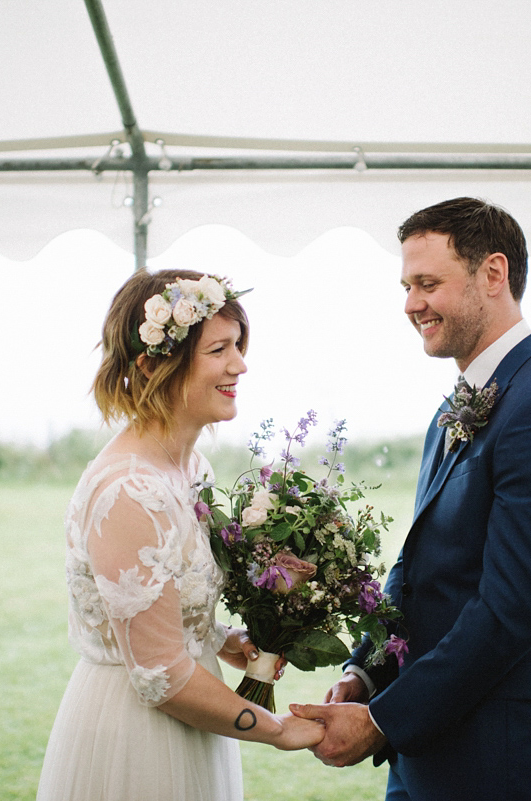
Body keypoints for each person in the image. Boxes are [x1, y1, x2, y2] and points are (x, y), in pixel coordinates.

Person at [291, 197, 531, 800]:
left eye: (428, 283)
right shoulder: (458, 404)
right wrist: (367, 669)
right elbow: (418, 569)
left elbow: (510, 613)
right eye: (407, 285)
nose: (411, 304)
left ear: (493, 275)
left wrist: (384, 720)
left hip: (503, 761)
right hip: (425, 759)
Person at [36, 268, 323, 801]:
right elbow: (160, 674)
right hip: (137, 735)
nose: (240, 364)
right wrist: (277, 729)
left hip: (196, 722)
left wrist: (228, 641)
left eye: (237, 345)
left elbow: (173, 618)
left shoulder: (193, 471)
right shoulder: (127, 490)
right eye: (218, 350)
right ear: (152, 366)